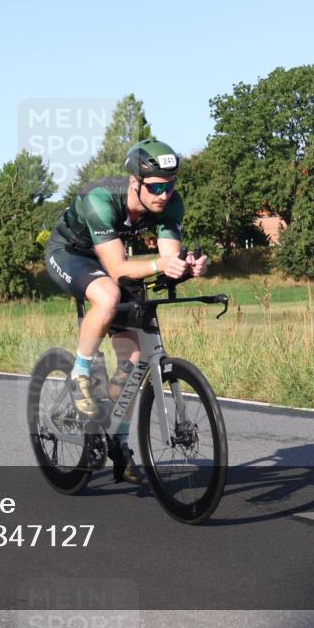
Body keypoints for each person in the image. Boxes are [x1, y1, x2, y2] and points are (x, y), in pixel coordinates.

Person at [45, 139, 208, 483]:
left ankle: (117, 441)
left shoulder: (170, 204)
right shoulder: (101, 198)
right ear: (135, 181)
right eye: (156, 187)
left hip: (115, 258)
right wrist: (161, 263)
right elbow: (117, 268)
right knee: (106, 295)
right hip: (71, 254)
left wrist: (187, 266)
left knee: (132, 361)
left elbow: (167, 258)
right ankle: (80, 375)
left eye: (170, 185)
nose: (164, 194)